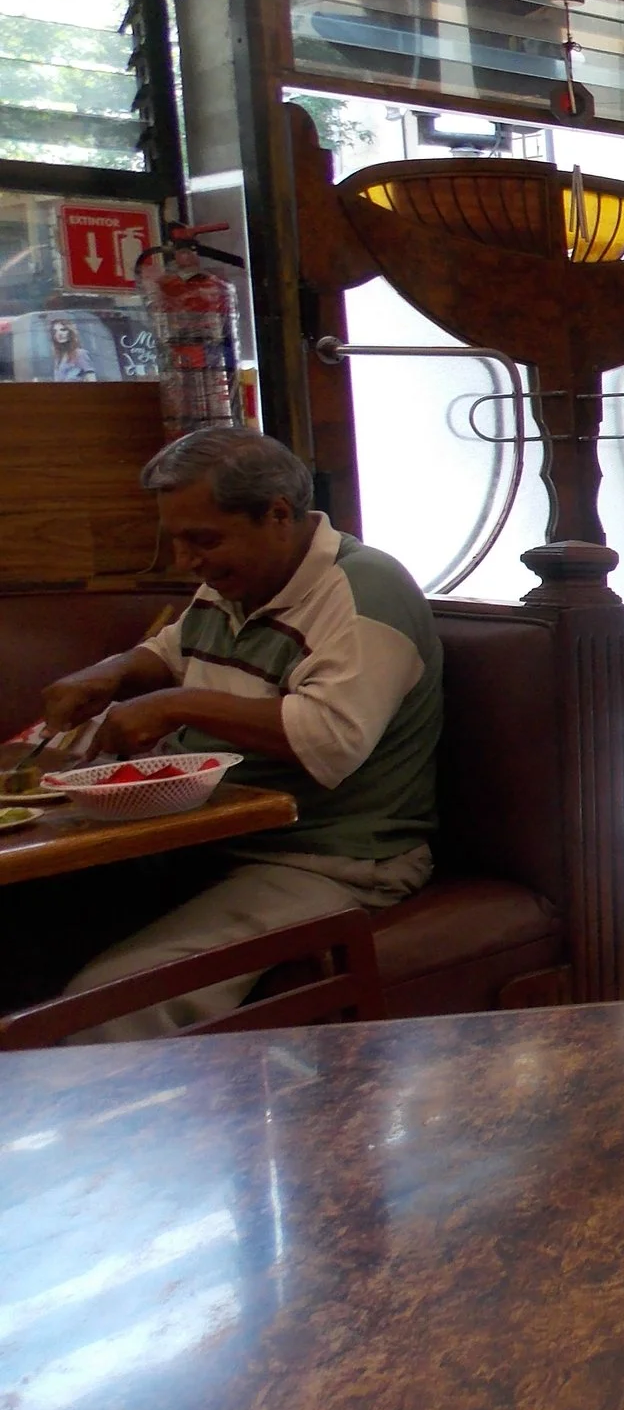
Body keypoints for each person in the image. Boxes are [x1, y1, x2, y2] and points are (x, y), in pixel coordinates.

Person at [29, 427, 441, 1037]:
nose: (186, 560)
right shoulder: (237, 582)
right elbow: (174, 649)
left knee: (107, 1004)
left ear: (278, 515)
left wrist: (175, 705)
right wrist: (110, 673)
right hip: (211, 841)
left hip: (332, 859)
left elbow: (330, 740)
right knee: (23, 937)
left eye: (203, 539)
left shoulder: (364, 594)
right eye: (177, 540)